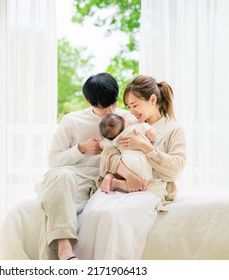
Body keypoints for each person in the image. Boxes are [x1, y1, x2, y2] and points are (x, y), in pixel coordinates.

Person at [74, 74, 186, 259]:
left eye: (135, 105)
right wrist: (121, 174)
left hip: (150, 188)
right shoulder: (129, 124)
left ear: (152, 99)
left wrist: (145, 147)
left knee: (116, 218)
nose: (131, 111)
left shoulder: (173, 129)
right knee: (94, 213)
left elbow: (175, 169)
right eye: (128, 107)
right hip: (121, 183)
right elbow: (108, 154)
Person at [34, 72, 136, 260]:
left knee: (56, 207)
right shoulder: (72, 121)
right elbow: (54, 161)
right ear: (88, 101)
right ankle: (65, 250)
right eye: (103, 107)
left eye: (113, 104)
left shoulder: (127, 118)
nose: (110, 111)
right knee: (60, 180)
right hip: (76, 178)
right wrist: (81, 148)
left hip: (106, 180)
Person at [98, 113, 156, 193]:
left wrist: (102, 142)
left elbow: (103, 145)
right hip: (141, 161)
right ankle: (116, 183)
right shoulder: (138, 127)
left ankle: (113, 179)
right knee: (144, 184)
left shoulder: (116, 140)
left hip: (126, 162)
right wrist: (150, 136)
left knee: (118, 171)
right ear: (123, 118)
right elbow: (152, 135)